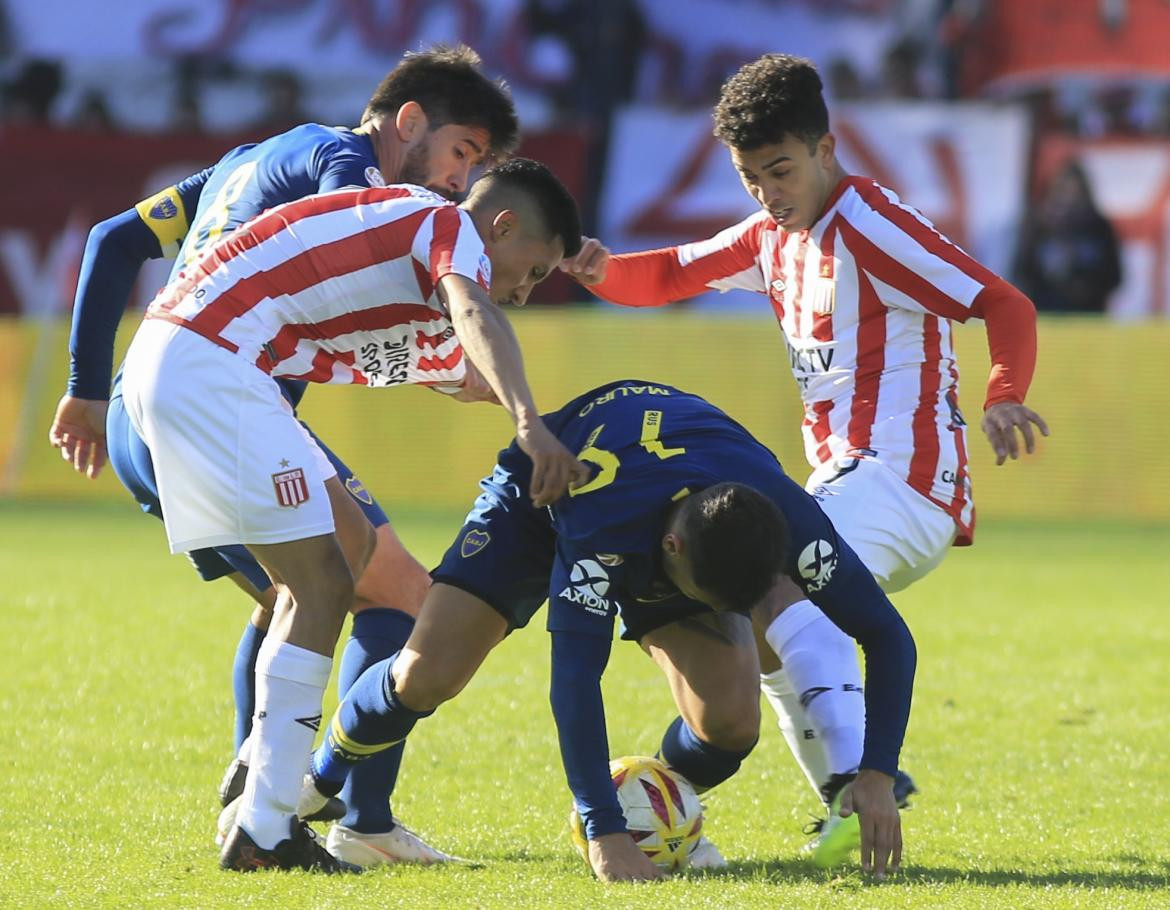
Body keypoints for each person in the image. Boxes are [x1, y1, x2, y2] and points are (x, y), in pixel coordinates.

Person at [561, 53, 1049, 861]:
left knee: (763, 577)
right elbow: (678, 271)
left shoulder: (872, 225)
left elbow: (1004, 302)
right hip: (840, 483)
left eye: (781, 171)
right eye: (751, 177)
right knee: (748, 604)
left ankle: (852, 784)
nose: (767, 193)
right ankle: (688, 800)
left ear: (827, 148)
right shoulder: (772, 237)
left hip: (904, 481)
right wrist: (602, 271)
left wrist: (1002, 393)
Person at [48, 45, 524, 866]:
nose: (458, 182)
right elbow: (367, 247)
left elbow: (114, 239)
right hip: (218, 389)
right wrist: (464, 351)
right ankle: (347, 819)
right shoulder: (347, 166)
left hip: (148, 398)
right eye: (463, 154)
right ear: (407, 121)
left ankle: (266, 799)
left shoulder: (247, 163)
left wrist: (89, 388)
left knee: (290, 595)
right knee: (397, 592)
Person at [117, 159, 587, 873]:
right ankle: (268, 822)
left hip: (201, 357)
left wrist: (566, 425)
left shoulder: (415, 254)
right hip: (215, 361)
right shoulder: (446, 224)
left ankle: (264, 769)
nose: (523, 292)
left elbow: (463, 370)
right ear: (503, 224)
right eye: (533, 269)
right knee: (322, 586)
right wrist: (529, 423)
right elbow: (475, 312)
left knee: (353, 551)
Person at [306, 379, 916, 882]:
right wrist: (604, 831)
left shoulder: (790, 518)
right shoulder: (602, 532)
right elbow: (575, 681)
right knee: (425, 674)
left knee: (731, 722)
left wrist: (876, 773)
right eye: (712, 600)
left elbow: (889, 637)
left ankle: (656, 811)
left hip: (671, 511)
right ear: (672, 552)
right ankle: (320, 779)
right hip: (542, 499)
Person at [1014, 159, 1121, 314]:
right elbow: (1022, 272)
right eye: (1062, 191)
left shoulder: (1099, 228)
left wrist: (1085, 288)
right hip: (1047, 317)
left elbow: (1115, 276)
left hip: (1089, 317)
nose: (1068, 198)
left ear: (1085, 193)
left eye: (1074, 192)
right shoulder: (1038, 227)